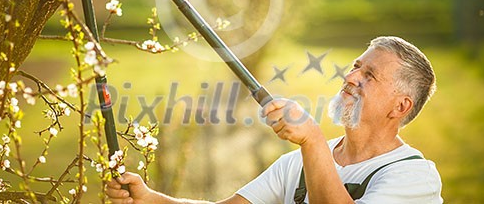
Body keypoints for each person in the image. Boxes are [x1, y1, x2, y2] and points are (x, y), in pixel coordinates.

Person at [106, 36, 443, 203]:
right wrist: (150, 198)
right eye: (356, 65)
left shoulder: (414, 177)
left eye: (369, 75)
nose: (351, 77)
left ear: (400, 107)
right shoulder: (294, 165)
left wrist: (311, 139)